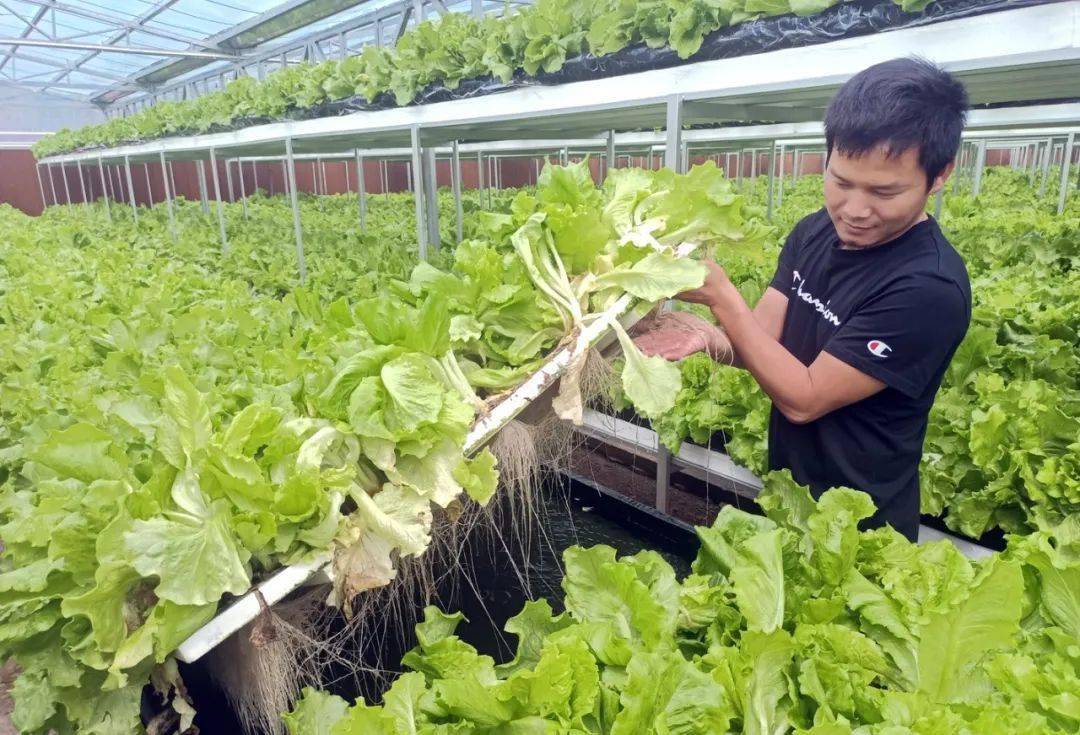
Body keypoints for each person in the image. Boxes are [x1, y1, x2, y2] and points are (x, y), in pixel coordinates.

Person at [636, 57, 971, 541]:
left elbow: (805, 398)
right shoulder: (815, 231)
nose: (855, 210)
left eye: (884, 192)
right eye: (840, 181)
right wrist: (710, 339)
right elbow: (765, 341)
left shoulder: (929, 288)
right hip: (791, 495)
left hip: (863, 528)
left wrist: (723, 299)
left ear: (939, 176)